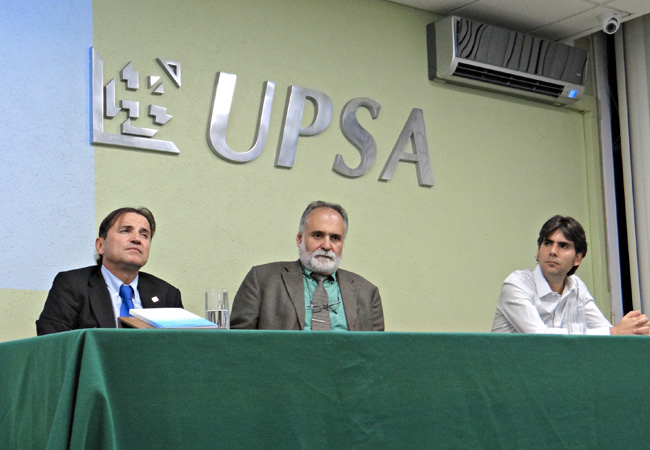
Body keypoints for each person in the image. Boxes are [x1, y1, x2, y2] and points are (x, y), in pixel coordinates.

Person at [231, 201, 384, 331]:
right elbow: (239, 344)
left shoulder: (367, 292)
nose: (326, 245)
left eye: (335, 238)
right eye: (318, 235)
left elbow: (377, 352)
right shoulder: (262, 279)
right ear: (300, 239)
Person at [491, 215, 649, 335]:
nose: (552, 251)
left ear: (577, 258)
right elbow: (539, 337)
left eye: (563, 246)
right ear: (538, 251)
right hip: (508, 374)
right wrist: (614, 332)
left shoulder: (576, 286)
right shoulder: (516, 285)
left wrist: (634, 330)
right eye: (547, 243)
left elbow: (603, 330)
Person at [36, 207, 183, 335]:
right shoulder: (72, 285)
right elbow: (54, 345)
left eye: (144, 235)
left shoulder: (167, 294)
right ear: (100, 245)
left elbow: (180, 350)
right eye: (126, 231)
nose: (137, 239)